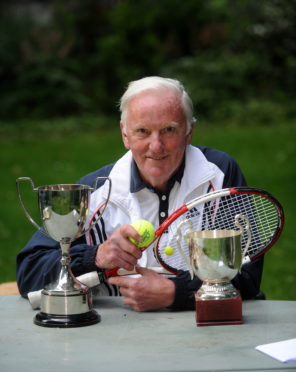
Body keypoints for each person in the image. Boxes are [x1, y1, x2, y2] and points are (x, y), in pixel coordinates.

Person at [16, 76, 264, 311]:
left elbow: (248, 276)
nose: (156, 146)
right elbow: (29, 275)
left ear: (189, 133)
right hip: (116, 336)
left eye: (169, 130)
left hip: (203, 329)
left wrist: (175, 293)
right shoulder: (95, 190)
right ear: (125, 134)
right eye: (142, 131)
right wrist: (96, 256)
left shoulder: (219, 174)